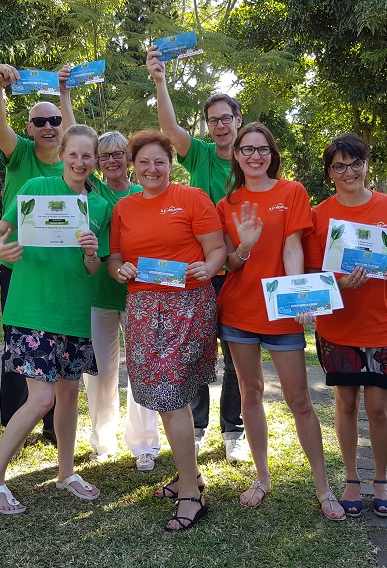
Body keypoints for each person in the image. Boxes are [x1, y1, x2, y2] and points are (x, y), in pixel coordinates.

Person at [0, 124, 111, 514]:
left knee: (69, 395)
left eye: (88, 156)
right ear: (63, 154)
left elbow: (93, 268)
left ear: (95, 160)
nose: (80, 162)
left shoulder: (99, 206)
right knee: (42, 399)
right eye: (74, 154)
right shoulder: (36, 187)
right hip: (31, 309)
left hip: (72, 312)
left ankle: (66, 472)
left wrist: (90, 251)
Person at [215, 122, 346, 520]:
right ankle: (262, 478)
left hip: (280, 315)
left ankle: (323, 489)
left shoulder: (292, 192)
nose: (255, 156)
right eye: (247, 149)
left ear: (272, 155)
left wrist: (296, 298)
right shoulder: (227, 205)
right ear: (236, 155)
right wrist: (245, 246)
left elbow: (293, 248)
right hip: (238, 312)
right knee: (249, 394)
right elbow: (230, 265)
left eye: (263, 149)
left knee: (300, 401)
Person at [107, 130, 226, 531]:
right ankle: (186, 475)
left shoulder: (192, 199)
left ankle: (191, 492)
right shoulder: (124, 207)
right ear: (132, 166)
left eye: (159, 161)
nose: (151, 169)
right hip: (142, 307)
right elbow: (117, 259)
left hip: (188, 304)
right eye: (143, 162)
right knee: (157, 392)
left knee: (171, 392)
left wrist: (208, 268)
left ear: (170, 163)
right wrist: (119, 269)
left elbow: (216, 249)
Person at [303, 133, 387, 517]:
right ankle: (352, 478)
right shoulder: (319, 215)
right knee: (346, 403)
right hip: (337, 326)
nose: (349, 172)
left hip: (384, 323)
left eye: (356, 163)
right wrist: (339, 281)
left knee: (379, 409)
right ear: (329, 173)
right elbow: (310, 272)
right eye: (339, 165)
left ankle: (381, 479)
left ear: (367, 165)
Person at [146, 45, 246, 462]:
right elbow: (168, 130)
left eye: (226, 119)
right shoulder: (202, 154)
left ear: (239, 122)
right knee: (199, 350)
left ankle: (234, 430)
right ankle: (200, 424)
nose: (220, 126)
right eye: (213, 120)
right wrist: (160, 80)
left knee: (237, 354)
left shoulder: (254, 161)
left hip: (241, 269)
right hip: (201, 269)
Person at [0, 63, 75, 443]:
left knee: (59, 346)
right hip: (19, 267)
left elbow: (76, 134)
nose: (48, 127)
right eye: (40, 121)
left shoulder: (73, 164)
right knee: (17, 345)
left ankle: (54, 427)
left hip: (62, 269)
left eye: (54, 119)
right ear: (29, 128)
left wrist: (65, 93)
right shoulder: (20, 153)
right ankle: (14, 423)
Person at [83, 130, 161, 470]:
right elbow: (72, 144)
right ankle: (102, 439)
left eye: (118, 154)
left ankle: (144, 444)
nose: (112, 160)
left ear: (129, 159)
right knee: (99, 372)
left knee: (143, 370)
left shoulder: (145, 192)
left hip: (140, 295)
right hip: (98, 292)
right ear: (97, 162)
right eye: (105, 156)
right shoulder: (91, 191)